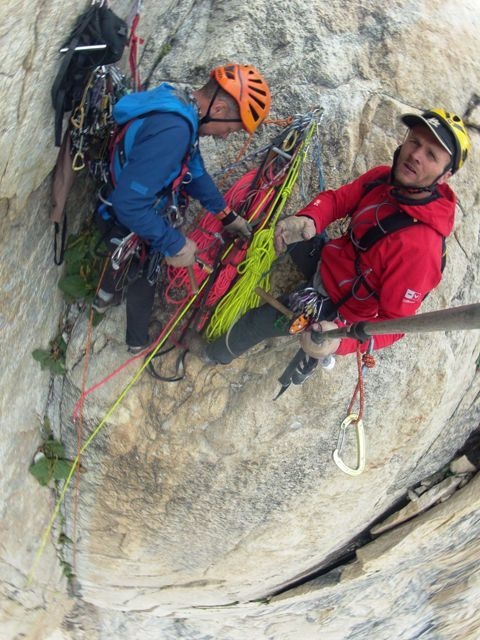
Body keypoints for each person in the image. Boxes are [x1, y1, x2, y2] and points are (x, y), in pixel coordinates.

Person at [204, 108, 471, 365]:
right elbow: (338, 200)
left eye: (431, 155)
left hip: (336, 306)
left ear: (444, 176)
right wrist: (310, 219)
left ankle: (214, 354)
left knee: (256, 323)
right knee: (273, 222)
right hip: (329, 260)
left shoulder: (420, 249)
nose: (415, 155)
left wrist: (339, 341)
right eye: (414, 141)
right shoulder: (383, 180)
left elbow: (395, 325)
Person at [93, 63, 271, 353]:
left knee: (123, 253)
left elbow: (194, 172)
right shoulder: (175, 131)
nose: (226, 136)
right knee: (145, 269)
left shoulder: (182, 106)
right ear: (222, 108)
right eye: (232, 128)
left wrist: (226, 215)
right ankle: (136, 342)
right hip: (126, 211)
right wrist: (173, 243)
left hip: (121, 195)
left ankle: (103, 296)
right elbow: (130, 204)